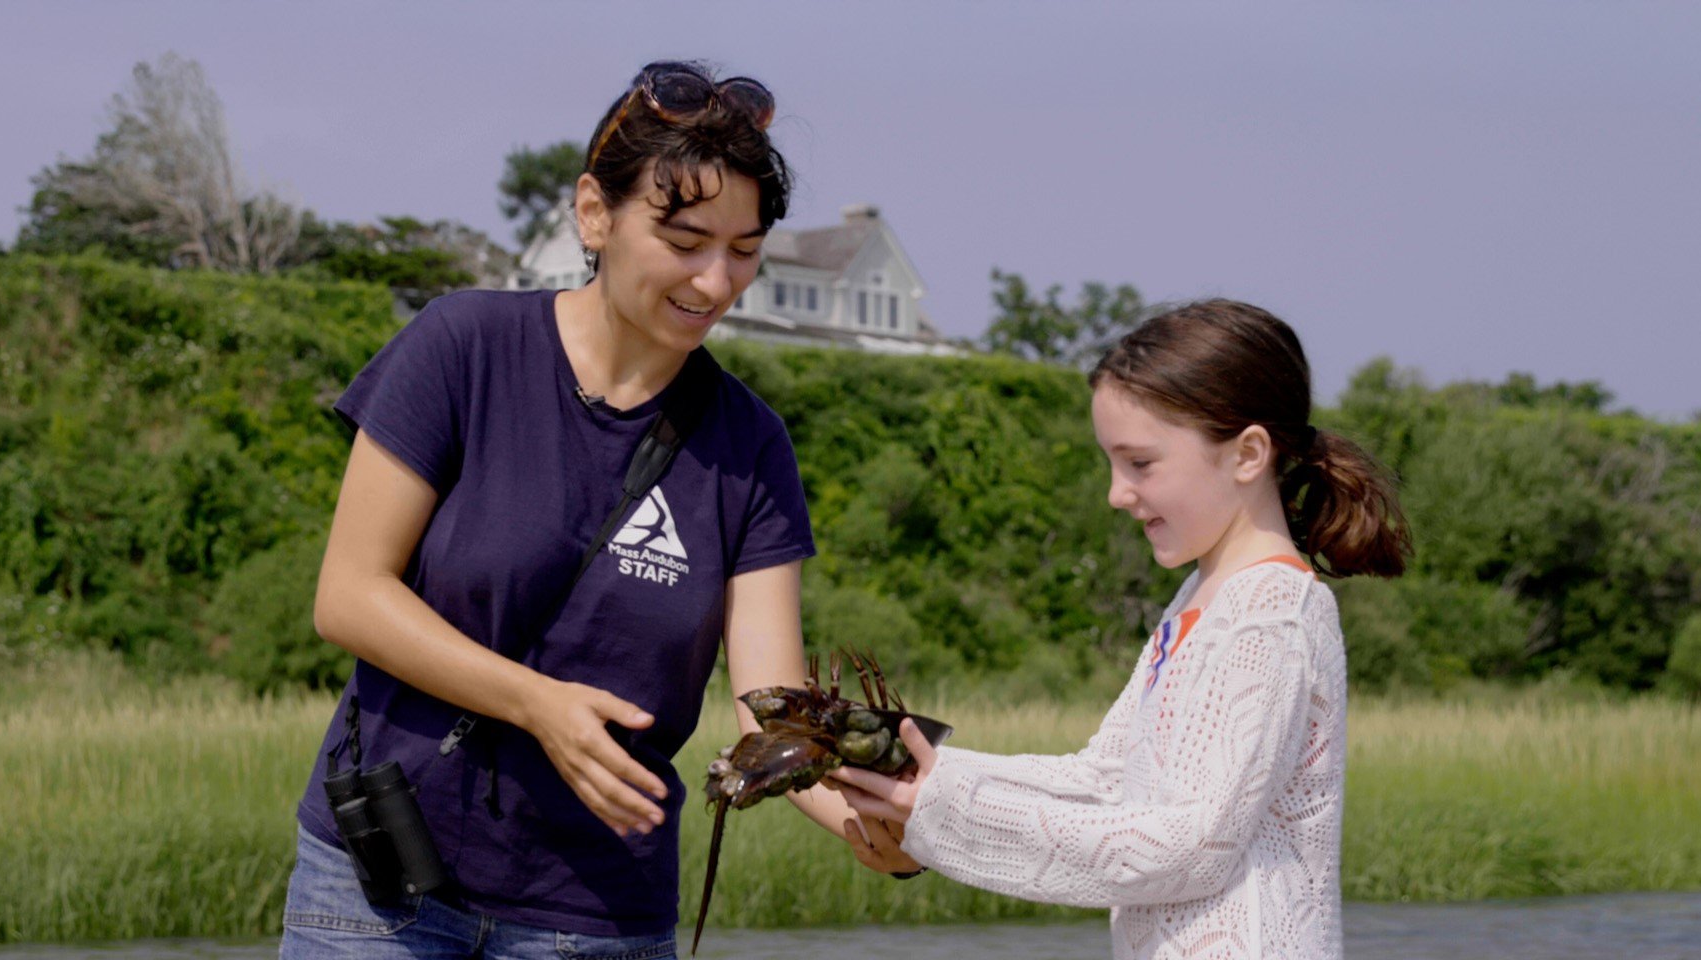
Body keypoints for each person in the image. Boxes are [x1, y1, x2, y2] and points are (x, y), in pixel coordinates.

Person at [277, 61, 909, 960]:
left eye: (743, 249)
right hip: (380, 893)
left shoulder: (752, 446)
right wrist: (537, 704)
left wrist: (864, 819)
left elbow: (768, 708)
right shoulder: (463, 348)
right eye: (685, 238)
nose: (716, 280)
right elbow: (348, 595)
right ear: (593, 214)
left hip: (595, 918)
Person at [831, 300, 1413, 960]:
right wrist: (921, 775)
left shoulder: (1274, 614)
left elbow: (1197, 844)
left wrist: (950, 809)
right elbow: (1108, 778)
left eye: (1140, 464)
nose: (1116, 492)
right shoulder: (1199, 597)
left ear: (1249, 453)